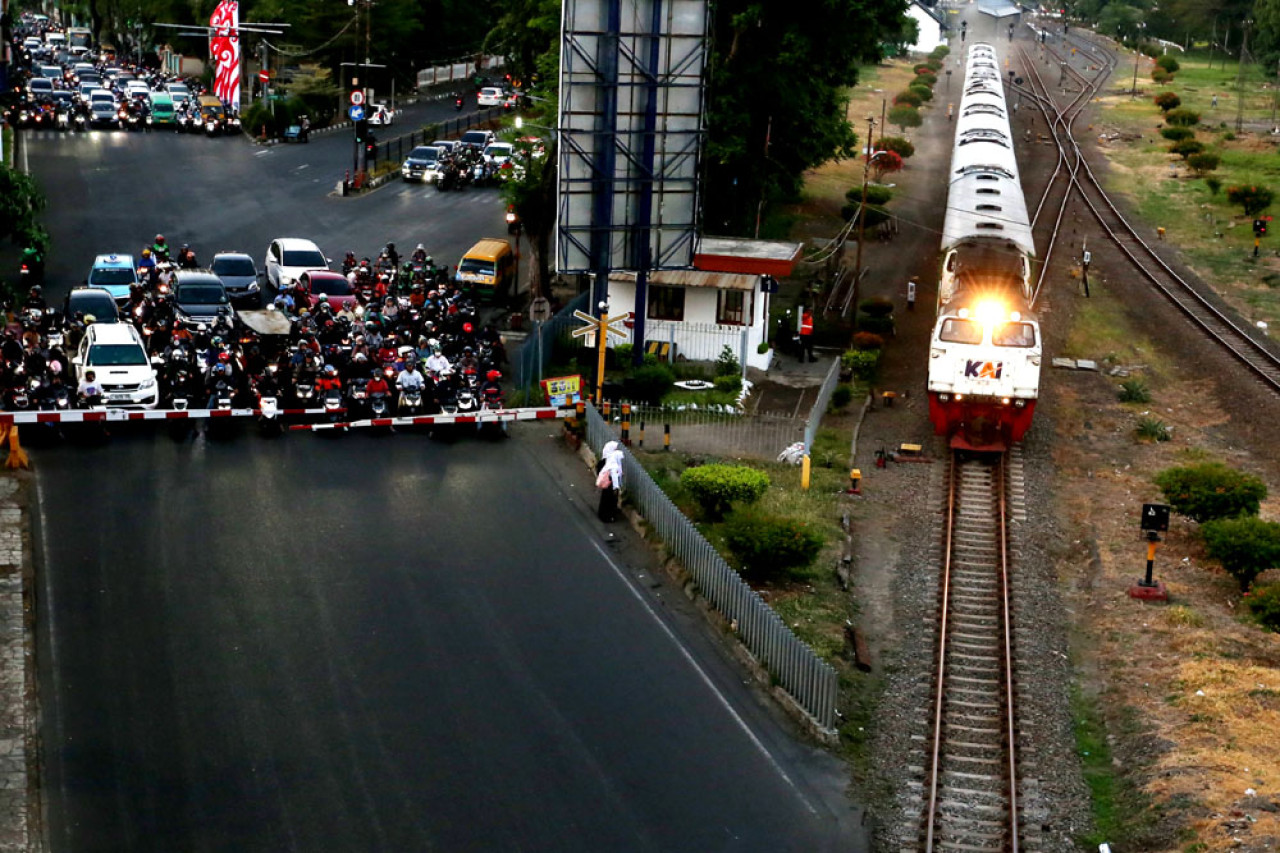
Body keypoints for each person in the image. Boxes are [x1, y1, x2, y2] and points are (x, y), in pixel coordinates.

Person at [596, 440, 624, 522]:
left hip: (608, 484)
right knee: (610, 500)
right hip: (611, 484)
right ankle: (608, 516)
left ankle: (604, 514)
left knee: (605, 500)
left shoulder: (605, 459)